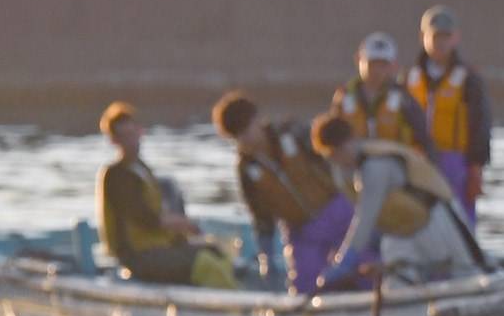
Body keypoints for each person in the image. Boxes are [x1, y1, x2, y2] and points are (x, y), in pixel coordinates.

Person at [309, 113, 485, 292]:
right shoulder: (343, 172)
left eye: (340, 151)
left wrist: (344, 261)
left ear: (351, 140)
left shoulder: (375, 166)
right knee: (397, 286)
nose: (338, 159)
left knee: (468, 275)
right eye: (331, 156)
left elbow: (365, 219)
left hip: (435, 220)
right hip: (400, 232)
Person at [212, 91, 352, 294]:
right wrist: (266, 260)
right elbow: (261, 218)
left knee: (359, 264)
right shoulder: (246, 170)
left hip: (338, 213)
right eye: (238, 136)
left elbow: (335, 159)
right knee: (305, 287)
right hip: (302, 232)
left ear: (257, 120)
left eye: (247, 129)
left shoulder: (293, 132)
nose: (246, 138)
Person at [94, 102, 236, 288]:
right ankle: (224, 306)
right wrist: (184, 224)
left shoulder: (143, 170)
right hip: (138, 255)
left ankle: (231, 293)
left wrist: (183, 232)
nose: (131, 141)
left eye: (132, 134)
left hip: (160, 246)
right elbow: (146, 218)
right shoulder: (116, 175)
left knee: (215, 251)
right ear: (114, 140)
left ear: (140, 131)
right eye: (123, 137)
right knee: (205, 262)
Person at [405, 5, 491, 227]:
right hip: (418, 159)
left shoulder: (469, 79)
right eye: (435, 36)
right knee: (419, 218)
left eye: (446, 36)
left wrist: (476, 167)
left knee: (461, 220)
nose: (441, 42)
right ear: (423, 37)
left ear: (456, 38)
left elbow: (481, 124)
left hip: (456, 161)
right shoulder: (407, 79)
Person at [333, 33, 439, 161]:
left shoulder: (403, 98)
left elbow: (424, 135)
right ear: (358, 60)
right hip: (352, 162)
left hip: (393, 163)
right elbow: (331, 137)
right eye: (372, 63)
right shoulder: (344, 96)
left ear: (393, 65)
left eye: (383, 64)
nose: (377, 70)